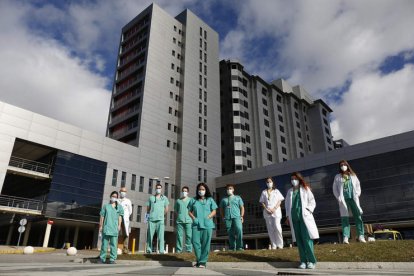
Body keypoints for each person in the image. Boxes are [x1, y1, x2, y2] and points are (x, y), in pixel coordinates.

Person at [285, 172, 319, 269]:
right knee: (299, 241)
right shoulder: (289, 192)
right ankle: (303, 261)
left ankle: (311, 261)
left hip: (304, 217)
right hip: (294, 218)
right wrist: (287, 216)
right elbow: (287, 206)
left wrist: (308, 210)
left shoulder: (305, 189)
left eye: (295, 178)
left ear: (299, 179)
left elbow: (312, 201)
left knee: (307, 239)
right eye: (292, 179)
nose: (293, 180)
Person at [332, 160, 366, 244]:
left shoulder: (353, 176)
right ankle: (345, 237)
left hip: (353, 198)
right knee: (345, 219)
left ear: (347, 165)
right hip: (344, 200)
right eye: (341, 165)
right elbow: (334, 188)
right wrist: (338, 197)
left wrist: (357, 194)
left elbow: (358, 185)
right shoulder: (337, 176)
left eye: (344, 164)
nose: (343, 166)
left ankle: (361, 236)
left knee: (358, 217)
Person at [188, 183, 217, 268]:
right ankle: (199, 260)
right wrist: (194, 218)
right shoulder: (193, 200)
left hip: (207, 224)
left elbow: (214, 211)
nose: (201, 191)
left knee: (205, 244)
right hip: (196, 224)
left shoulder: (210, 199)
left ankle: (202, 262)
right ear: (197, 191)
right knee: (195, 242)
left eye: (203, 189)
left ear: (206, 190)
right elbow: (189, 211)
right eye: (199, 189)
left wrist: (209, 217)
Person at [99, 191, 124, 264]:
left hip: (114, 228)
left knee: (113, 245)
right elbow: (102, 216)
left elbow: (120, 217)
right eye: (113, 196)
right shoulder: (106, 206)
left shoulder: (119, 207)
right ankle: (102, 258)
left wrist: (119, 225)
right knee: (104, 245)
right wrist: (101, 226)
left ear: (117, 198)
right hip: (106, 227)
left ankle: (112, 259)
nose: (114, 198)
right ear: (110, 197)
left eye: (116, 197)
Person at [259, 177, 284, 249]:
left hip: (276, 211)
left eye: (270, 182)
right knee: (270, 229)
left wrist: (274, 208)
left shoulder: (276, 191)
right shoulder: (264, 192)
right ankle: (274, 245)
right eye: (267, 182)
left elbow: (280, 200)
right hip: (267, 212)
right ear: (266, 183)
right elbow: (262, 202)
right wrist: (266, 209)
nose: (269, 183)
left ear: (272, 182)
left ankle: (280, 244)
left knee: (277, 227)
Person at [219, 184, 244, 251]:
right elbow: (221, 209)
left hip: (237, 217)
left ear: (233, 190)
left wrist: (241, 216)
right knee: (230, 232)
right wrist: (223, 217)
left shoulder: (238, 198)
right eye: (227, 189)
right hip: (228, 218)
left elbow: (242, 207)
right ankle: (232, 247)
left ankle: (239, 247)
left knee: (239, 230)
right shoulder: (224, 200)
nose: (229, 190)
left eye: (230, 188)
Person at [146, 183, 169, 254]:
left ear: (161, 189)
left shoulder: (164, 198)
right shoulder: (151, 198)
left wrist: (162, 215)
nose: (158, 189)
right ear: (155, 189)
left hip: (160, 220)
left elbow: (166, 209)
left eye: (159, 188)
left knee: (161, 236)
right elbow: (148, 209)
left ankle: (161, 250)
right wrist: (146, 219)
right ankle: (149, 249)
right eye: (157, 188)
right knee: (150, 235)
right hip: (152, 220)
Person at [174, 186, 193, 253]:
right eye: (183, 191)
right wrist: (180, 215)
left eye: (185, 191)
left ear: (188, 192)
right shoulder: (178, 201)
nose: (184, 192)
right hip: (180, 221)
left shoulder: (191, 200)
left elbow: (193, 210)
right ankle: (179, 250)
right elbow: (176, 210)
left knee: (189, 236)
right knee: (179, 236)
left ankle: (189, 250)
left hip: (189, 221)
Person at [119, 187, 132, 254]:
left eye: (125, 191)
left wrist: (126, 216)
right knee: (116, 234)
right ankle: (115, 248)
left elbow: (130, 211)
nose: (123, 192)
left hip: (125, 219)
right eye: (122, 191)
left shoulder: (128, 201)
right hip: (117, 219)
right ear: (120, 192)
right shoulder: (117, 201)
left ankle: (125, 249)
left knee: (125, 234)